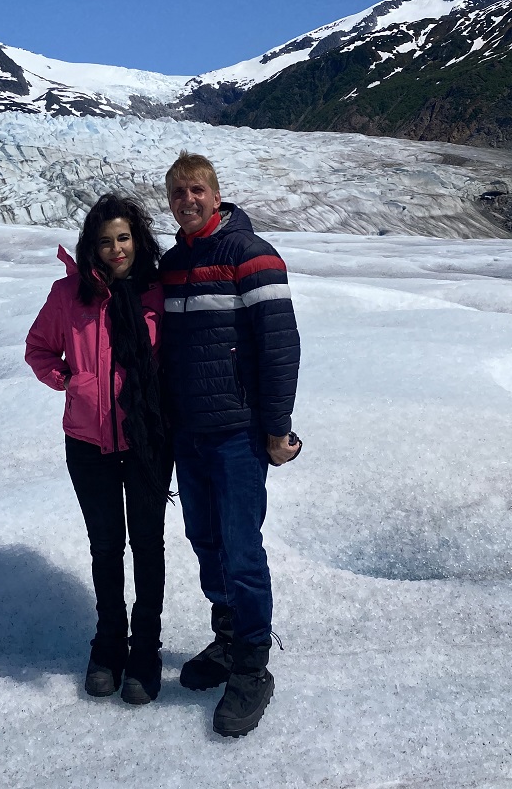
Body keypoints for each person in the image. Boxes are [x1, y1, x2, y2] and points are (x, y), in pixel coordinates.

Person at [158, 152, 301, 738]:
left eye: (196, 190)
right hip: (189, 434)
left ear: (216, 195)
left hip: (238, 434)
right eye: (176, 193)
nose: (187, 200)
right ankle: (226, 639)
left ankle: (252, 665)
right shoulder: (171, 265)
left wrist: (275, 426)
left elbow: (279, 346)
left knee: (242, 548)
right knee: (205, 540)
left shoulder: (252, 255)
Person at [25, 193, 171, 705]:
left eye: (124, 238)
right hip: (88, 444)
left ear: (138, 240)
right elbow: (38, 348)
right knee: (106, 548)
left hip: (148, 442)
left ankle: (146, 650)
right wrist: (72, 380)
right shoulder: (68, 295)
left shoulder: (158, 290)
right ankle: (108, 644)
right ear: (93, 244)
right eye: (106, 241)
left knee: (147, 547)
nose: (116, 249)